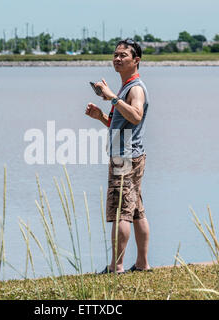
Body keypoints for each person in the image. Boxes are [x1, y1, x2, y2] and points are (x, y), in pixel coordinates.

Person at [85, 39, 151, 274]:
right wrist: (101, 116)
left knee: (120, 212)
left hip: (125, 158)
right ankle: (142, 264)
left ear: (136, 61)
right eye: (115, 55)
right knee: (135, 210)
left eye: (123, 55)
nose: (117, 59)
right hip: (127, 154)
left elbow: (135, 116)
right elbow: (120, 124)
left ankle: (117, 267)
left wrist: (113, 97)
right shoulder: (125, 89)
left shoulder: (135, 88)